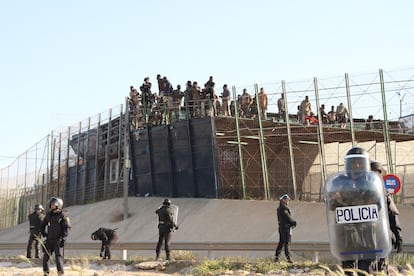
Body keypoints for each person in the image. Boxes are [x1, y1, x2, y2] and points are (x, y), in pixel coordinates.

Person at [325, 147, 391, 275]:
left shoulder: (372, 181)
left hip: (368, 231)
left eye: (359, 162)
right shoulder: (339, 182)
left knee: (365, 268)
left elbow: (378, 205)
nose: (356, 165)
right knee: (348, 268)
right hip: (347, 231)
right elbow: (333, 206)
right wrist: (336, 199)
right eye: (353, 162)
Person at [370, 160, 403, 272]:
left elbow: (392, 214)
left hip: (381, 237)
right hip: (364, 239)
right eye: (373, 172)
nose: (376, 175)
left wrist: (397, 234)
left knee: (381, 268)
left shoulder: (384, 193)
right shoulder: (358, 191)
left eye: (378, 172)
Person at [40, 197, 71, 276]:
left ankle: (60, 273)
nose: (52, 206)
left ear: (58, 205)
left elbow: (67, 227)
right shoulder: (48, 215)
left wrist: (63, 238)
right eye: (51, 204)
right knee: (45, 258)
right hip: (49, 240)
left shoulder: (63, 215)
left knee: (58, 258)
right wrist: (44, 233)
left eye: (53, 204)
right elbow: (43, 224)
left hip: (58, 240)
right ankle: (46, 273)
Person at [274, 194, 296, 263]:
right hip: (286, 228)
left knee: (281, 243)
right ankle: (289, 258)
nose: (287, 201)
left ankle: (276, 258)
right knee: (287, 243)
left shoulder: (279, 208)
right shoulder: (284, 208)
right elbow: (287, 217)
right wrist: (293, 222)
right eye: (286, 199)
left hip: (281, 228)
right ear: (283, 200)